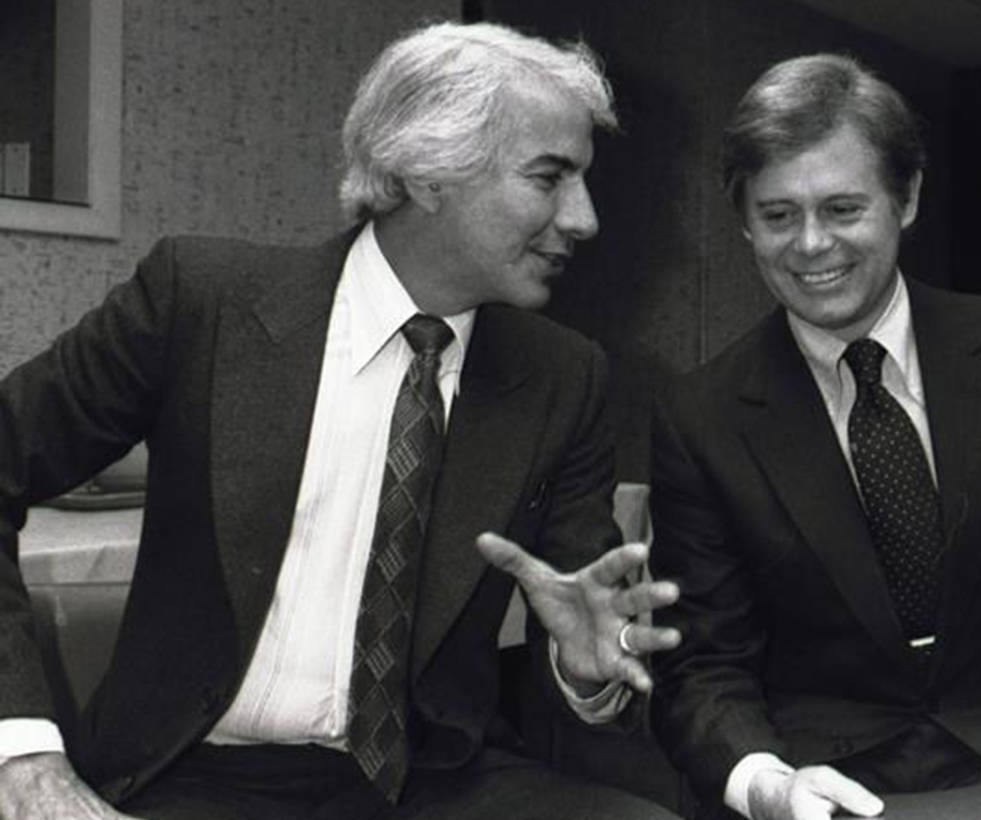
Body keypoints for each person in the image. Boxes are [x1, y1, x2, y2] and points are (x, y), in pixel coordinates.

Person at [0, 21, 684, 820]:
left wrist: (587, 671)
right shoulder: (201, 302)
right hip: (199, 775)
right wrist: (22, 751)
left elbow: (581, 610)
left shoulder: (565, 378)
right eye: (549, 177)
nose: (585, 218)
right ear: (430, 174)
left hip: (437, 781)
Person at [648, 52, 981, 820]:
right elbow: (703, 662)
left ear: (906, 199)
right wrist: (766, 782)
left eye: (842, 209)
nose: (809, 245)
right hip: (823, 787)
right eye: (777, 215)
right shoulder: (700, 415)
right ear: (743, 222)